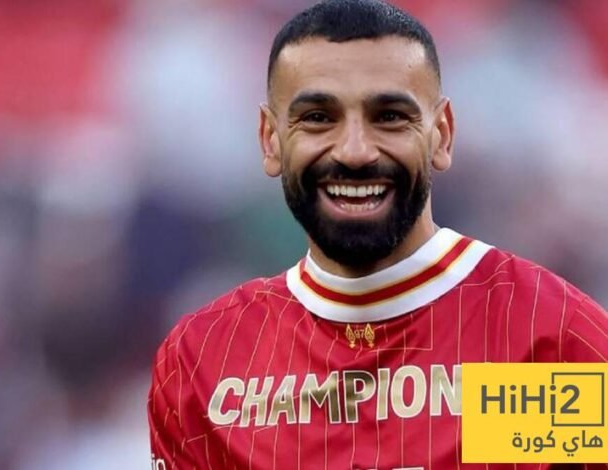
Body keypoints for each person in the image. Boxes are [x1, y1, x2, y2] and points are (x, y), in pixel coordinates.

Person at [147, 0, 608, 468]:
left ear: (442, 135)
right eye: (318, 117)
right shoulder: (205, 363)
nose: (355, 151)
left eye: (389, 116)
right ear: (270, 140)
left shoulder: (541, 343)